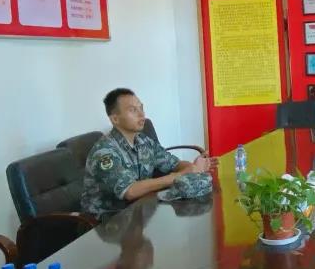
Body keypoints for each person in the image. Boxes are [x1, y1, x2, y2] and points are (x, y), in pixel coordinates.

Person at [82, 88, 215, 218]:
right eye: (133, 110)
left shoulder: (143, 141)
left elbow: (174, 164)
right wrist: (179, 176)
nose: (142, 115)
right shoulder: (105, 152)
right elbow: (130, 191)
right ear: (115, 119)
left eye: (141, 108)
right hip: (109, 222)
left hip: (139, 213)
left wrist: (192, 167)